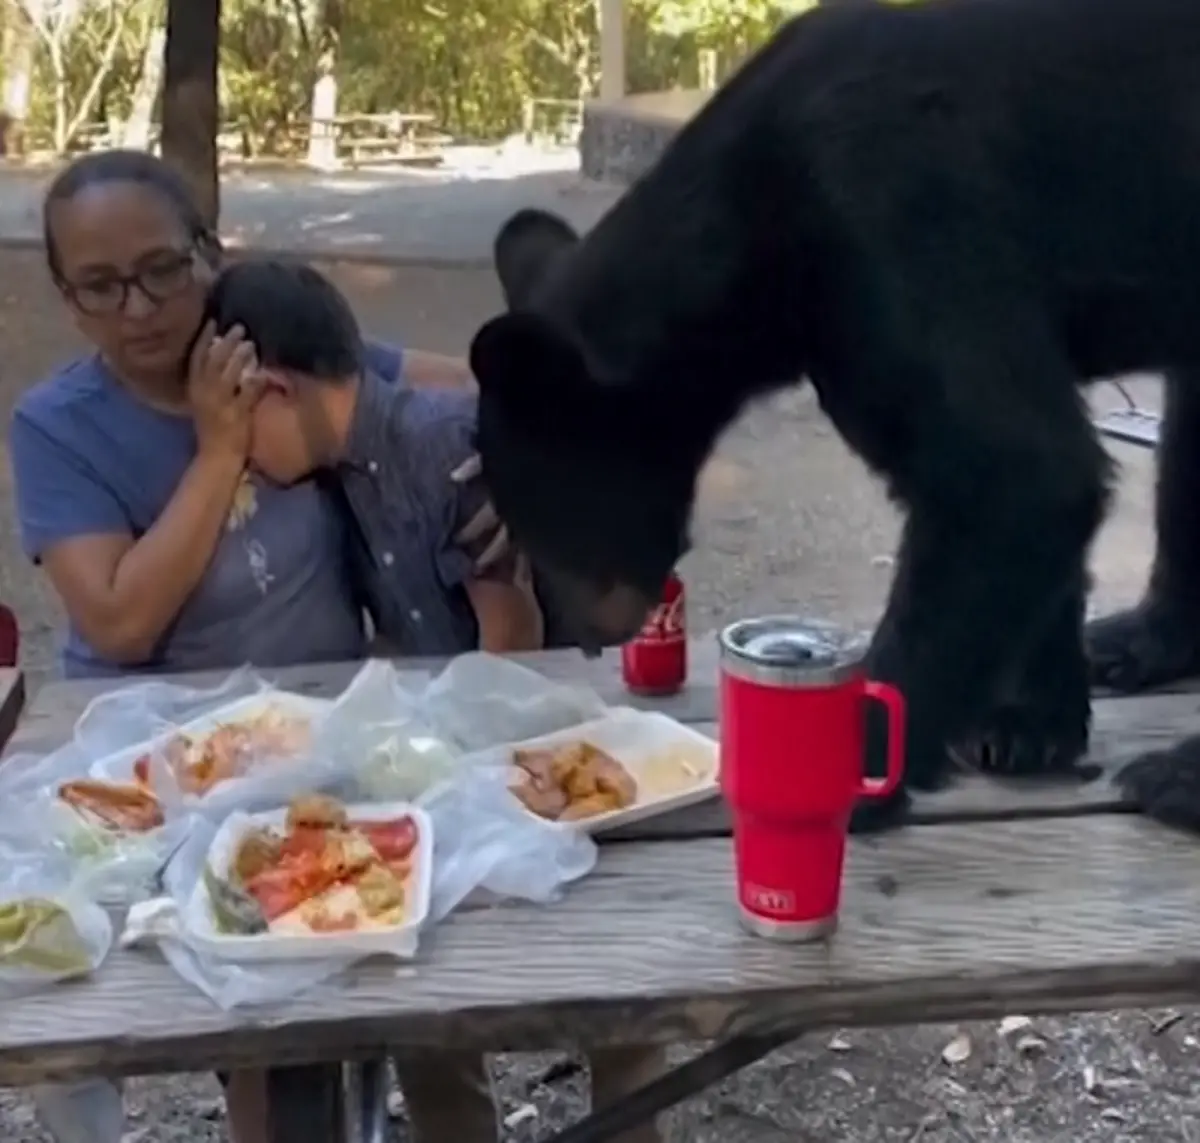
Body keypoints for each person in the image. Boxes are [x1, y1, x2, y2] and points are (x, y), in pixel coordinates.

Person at [6, 150, 503, 1143]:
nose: (139, 307)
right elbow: (116, 619)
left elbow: (440, 392)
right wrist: (219, 449)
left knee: (426, 988)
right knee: (255, 1023)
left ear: (208, 250)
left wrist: (524, 468)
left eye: (160, 268)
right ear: (67, 297)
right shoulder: (59, 427)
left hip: (327, 741)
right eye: (101, 286)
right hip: (164, 771)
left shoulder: (261, 339)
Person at [205, 257, 667, 1143]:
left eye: (235, 421)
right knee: (414, 990)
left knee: (614, 996)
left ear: (272, 389)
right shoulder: (344, 467)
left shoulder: (444, 451)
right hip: (460, 761)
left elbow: (512, 635)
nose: (237, 456)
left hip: (554, 750)